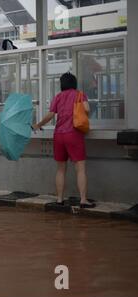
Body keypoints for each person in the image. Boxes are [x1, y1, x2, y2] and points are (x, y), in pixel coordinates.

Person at [32, 72, 95, 209]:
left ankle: (59, 199)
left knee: (60, 169)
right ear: (74, 83)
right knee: (80, 169)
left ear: (62, 84)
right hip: (74, 134)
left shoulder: (58, 96)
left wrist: (38, 125)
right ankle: (83, 200)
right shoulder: (79, 94)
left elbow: (50, 115)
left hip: (59, 135)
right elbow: (87, 109)